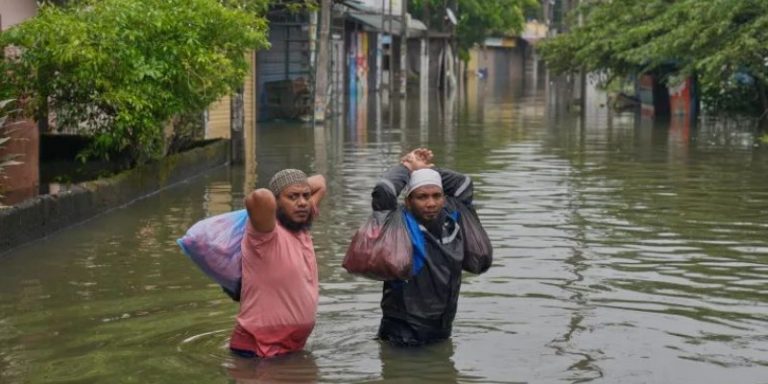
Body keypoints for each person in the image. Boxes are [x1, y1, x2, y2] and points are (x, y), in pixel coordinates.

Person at [371, 148, 489, 346]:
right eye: (422, 197)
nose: (431, 203)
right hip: (403, 334)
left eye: (436, 195)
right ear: (408, 201)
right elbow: (384, 191)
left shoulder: (451, 216)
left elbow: (464, 183)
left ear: (444, 197)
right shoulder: (398, 224)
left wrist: (425, 170)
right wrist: (407, 168)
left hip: (442, 328)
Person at [229, 169, 327, 358]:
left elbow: (321, 182)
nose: (302, 203)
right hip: (257, 353)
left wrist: (293, 187)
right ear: (276, 203)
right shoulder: (265, 233)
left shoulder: (301, 224)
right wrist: (283, 187)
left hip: (292, 349)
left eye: (306, 196)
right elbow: (259, 197)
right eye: (292, 197)